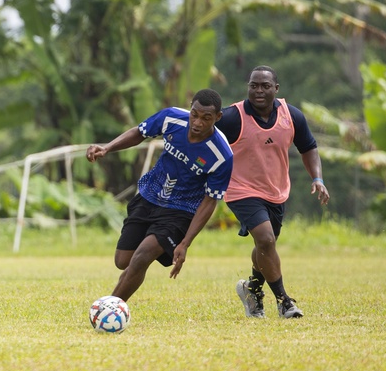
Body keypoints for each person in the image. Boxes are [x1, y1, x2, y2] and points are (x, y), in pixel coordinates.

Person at [86, 89, 233, 305]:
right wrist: (107, 148)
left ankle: (109, 309)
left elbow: (210, 201)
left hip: (181, 211)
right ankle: (130, 276)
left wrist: (185, 243)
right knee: (123, 261)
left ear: (217, 118)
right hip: (149, 195)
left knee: (142, 257)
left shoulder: (222, 155)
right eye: (195, 114)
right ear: (190, 109)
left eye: (206, 118)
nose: (198, 122)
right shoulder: (171, 117)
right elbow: (140, 132)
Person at [216, 65, 330, 319]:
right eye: (253, 85)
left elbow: (309, 147)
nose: (258, 90)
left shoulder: (292, 116)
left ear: (276, 89)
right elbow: (204, 136)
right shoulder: (233, 118)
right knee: (266, 240)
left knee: (265, 246)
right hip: (240, 189)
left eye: (265, 86)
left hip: (276, 191)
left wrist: (318, 178)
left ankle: (252, 290)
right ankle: (284, 302)